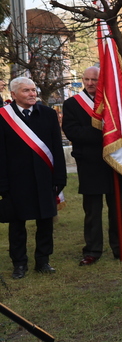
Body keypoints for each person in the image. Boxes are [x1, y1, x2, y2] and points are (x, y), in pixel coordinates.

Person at [0, 77, 66, 279]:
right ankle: (19, 264)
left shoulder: (48, 114)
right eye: (26, 90)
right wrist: (3, 185)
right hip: (16, 181)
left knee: (45, 222)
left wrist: (59, 178)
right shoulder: (3, 117)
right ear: (13, 94)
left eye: (33, 90)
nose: (32, 94)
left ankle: (43, 261)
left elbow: (56, 148)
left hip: (44, 178)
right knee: (17, 225)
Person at [62, 66, 122, 266]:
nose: (90, 83)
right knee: (92, 212)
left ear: (103, 80)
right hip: (89, 164)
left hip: (115, 161)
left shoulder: (113, 103)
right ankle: (92, 251)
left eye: (95, 80)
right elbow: (73, 132)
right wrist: (106, 133)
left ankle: (121, 247)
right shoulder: (72, 104)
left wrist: (111, 135)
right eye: (87, 79)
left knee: (117, 209)